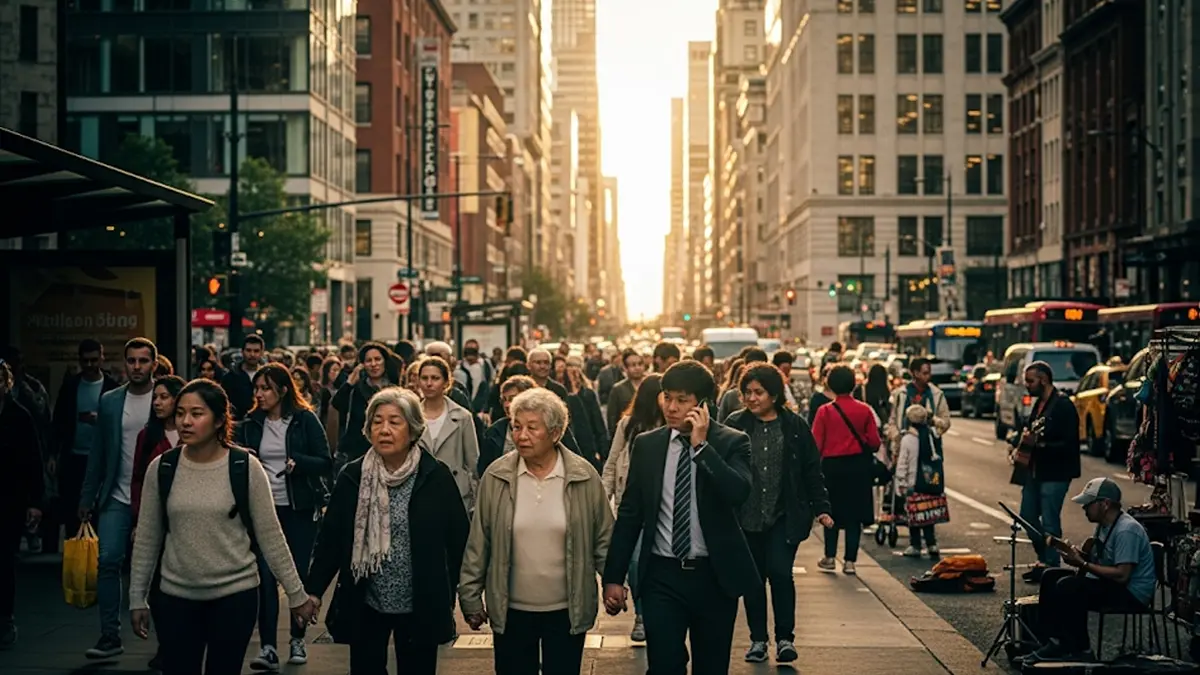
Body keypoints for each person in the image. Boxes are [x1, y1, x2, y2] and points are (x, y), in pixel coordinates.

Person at [128, 380, 318, 675]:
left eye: (196, 413)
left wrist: (297, 595)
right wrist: (137, 597)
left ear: (219, 420)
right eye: (180, 414)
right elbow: (147, 538)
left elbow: (271, 537)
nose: (185, 422)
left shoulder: (245, 467)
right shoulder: (162, 468)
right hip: (176, 597)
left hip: (234, 596)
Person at [601, 360, 756, 675]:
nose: (670, 407)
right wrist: (613, 577)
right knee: (664, 665)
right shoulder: (648, 445)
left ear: (702, 404)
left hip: (714, 577)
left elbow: (738, 492)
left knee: (711, 667)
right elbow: (630, 513)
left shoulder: (732, 442)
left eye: (681, 400)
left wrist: (702, 449)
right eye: (667, 397)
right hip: (662, 575)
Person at [305, 387, 469, 675]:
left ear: (414, 429)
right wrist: (313, 591)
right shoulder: (354, 476)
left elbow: (459, 540)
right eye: (377, 422)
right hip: (367, 598)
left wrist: (463, 593)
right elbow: (330, 540)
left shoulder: (435, 475)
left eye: (395, 422)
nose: (384, 429)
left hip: (420, 600)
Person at [459, 388, 614, 675]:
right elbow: (479, 541)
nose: (521, 435)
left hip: (567, 609)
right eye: (516, 427)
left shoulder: (583, 475)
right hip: (511, 609)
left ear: (555, 433)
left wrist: (613, 582)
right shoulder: (497, 475)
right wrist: (470, 595)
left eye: (532, 428)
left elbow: (603, 537)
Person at [724, 363, 832, 663]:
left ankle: (785, 638)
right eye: (747, 392)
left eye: (758, 392)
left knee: (781, 574)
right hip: (745, 518)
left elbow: (812, 470)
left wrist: (821, 508)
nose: (752, 398)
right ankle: (758, 639)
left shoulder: (794, 425)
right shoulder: (735, 423)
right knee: (753, 580)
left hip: (784, 516)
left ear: (774, 394)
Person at [234, 363, 333, 669]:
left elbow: (325, 461)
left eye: (266, 388)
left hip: (299, 509)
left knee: (297, 576)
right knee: (263, 578)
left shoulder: (304, 420)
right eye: (257, 389)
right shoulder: (251, 422)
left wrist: (298, 462)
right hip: (263, 510)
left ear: (283, 390)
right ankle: (267, 647)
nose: (260, 394)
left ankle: (297, 639)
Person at [78, 337, 158, 659]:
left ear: (154, 363)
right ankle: (110, 635)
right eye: (132, 361)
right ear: (124, 363)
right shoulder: (110, 401)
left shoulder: (165, 397)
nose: (137, 367)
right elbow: (98, 452)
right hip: (117, 493)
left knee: (161, 569)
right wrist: (87, 497)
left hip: (155, 498)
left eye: (143, 360)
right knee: (108, 561)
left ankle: (167, 643)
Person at [1023, 477, 1155, 664]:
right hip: (1113, 583)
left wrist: (1083, 564)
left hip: (1132, 593)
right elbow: (1099, 561)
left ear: (1105, 504)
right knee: (1050, 576)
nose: (1084, 508)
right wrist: (1079, 556)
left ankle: (1080, 649)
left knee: (1070, 587)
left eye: (1088, 504)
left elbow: (1122, 575)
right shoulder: (1103, 526)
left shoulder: (1126, 530)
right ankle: (1052, 641)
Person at [600, 373, 665, 643]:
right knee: (636, 562)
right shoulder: (628, 425)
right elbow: (613, 462)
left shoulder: (673, 426)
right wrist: (604, 499)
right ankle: (641, 614)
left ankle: (655, 612)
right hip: (633, 505)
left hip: (663, 504)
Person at [1011, 361, 1081, 582]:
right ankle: (1044, 558)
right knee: (1027, 516)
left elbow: (1070, 442)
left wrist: (1041, 445)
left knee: (1050, 521)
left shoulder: (1062, 405)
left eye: (1030, 381)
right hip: (1034, 471)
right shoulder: (1039, 404)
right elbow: (1031, 431)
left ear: (1044, 379)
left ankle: (1051, 566)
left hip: (1056, 472)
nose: (1027, 386)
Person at [810, 365, 880, 575]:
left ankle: (830, 557)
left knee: (832, 513)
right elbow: (875, 443)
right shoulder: (864, 410)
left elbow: (816, 444)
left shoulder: (825, 411)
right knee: (854, 516)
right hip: (858, 467)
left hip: (832, 468)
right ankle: (850, 561)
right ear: (854, 384)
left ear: (830, 384)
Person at [52, 339, 119, 548]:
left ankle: (98, 551)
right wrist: (53, 454)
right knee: (73, 505)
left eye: (94, 360)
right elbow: (59, 422)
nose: (90, 365)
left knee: (101, 506)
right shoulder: (71, 386)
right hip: (74, 455)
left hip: (102, 458)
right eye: (85, 361)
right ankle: (76, 551)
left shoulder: (112, 388)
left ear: (101, 358)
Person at [0, 359, 44, 649]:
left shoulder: (19, 416)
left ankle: (5, 619)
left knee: (3, 560)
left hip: (9, 500)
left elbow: (33, 461)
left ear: (5, 385)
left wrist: (35, 503)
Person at [416, 357, 479, 513]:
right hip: (419, 490)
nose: (429, 383)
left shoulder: (462, 416)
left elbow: (472, 461)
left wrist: (475, 499)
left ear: (446, 382)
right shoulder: (411, 415)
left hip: (455, 491)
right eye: (424, 378)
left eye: (435, 378)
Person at [330, 342, 402, 468]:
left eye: (377, 359)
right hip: (359, 452)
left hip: (389, 449)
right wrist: (350, 382)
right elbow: (337, 403)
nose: (374, 364)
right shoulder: (357, 389)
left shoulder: (394, 388)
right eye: (369, 360)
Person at [895, 405, 944, 559]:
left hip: (913, 482)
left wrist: (900, 482)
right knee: (927, 515)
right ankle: (932, 544)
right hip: (929, 481)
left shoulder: (908, 439)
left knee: (914, 515)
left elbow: (902, 463)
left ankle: (915, 545)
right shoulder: (932, 435)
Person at [884, 358, 951, 456]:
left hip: (930, 451)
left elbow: (946, 422)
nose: (929, 376)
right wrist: (897, 437)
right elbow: (892, 421)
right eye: (925, 373)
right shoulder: (901, 394)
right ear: (916, 373)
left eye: (929, 372)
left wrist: (933, 423)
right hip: (904, 449)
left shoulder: (937, 394)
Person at [219, 335, 266, 420]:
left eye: (256, 351)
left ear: (262, 352)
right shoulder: (230, 378)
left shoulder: (268, 376)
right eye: (248, 350)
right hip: (238, 425)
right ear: (242, 351)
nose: (252, 354)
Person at [606, 349, 647, 438]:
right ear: (625, 368)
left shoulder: (650, 385)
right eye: (633, 365)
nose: (637, 368)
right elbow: (612, 418)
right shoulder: (618, 389)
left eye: (640, 364)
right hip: (626, 436)